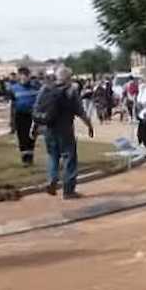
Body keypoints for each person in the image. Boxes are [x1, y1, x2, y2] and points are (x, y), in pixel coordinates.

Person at [33, 66, 94, 199]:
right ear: (68, 78)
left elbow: (37, 109)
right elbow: (81, 112)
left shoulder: (45, 89)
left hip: (49, 128)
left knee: (52, 156)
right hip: (65, 129)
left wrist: (35, 127)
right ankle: (68, 190)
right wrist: (89, 126)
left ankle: (52, 179)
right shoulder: (71, 91)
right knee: (69, 158)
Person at [8, 67, 40, 165]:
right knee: (22, 136)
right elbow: (12, 104)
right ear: (18, 76)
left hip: (32, 115)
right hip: (20, 115)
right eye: (22, 75)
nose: (24, 78)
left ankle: (30, 157)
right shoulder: (13, 89)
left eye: (26, 75)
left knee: (32, 136)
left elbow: (40, 102)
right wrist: (11, 119)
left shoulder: (35, 88)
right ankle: (24, 159)